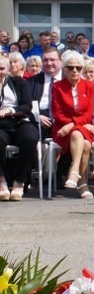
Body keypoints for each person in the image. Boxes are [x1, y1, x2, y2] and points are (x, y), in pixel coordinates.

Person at [51, 51, 94, 200]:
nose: (75, 71)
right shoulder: (57, 86)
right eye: (70, 68)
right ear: (64, 69)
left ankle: (74, 170)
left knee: (79, 136)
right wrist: (70, 125)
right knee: (85, 144)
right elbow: (57, 113)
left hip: (82, 125)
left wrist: (72, 125)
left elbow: (89, 114)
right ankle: (82, 184)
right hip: (62, 128)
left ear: (82, 69)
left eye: (78, 67)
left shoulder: (89, 86)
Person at [0, 56, 39, 201]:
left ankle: (19, 182)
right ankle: (1, 182)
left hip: (19, 122)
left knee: (30, 137)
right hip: (1, 126)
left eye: (2, 69)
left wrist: (9, 110)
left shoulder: (19, 82)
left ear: (8, 68)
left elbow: (27, 106)